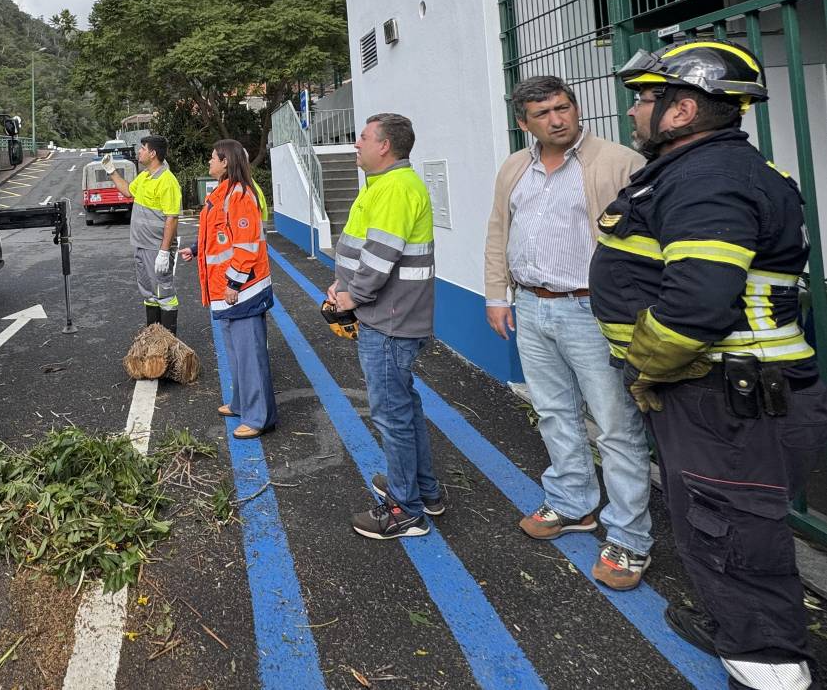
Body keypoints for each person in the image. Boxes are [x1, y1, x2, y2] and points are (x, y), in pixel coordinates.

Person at [589, 40, 825, 688]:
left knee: (731, 532)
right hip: (726, 393)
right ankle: (736, 628)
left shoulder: (707, 178)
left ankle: (766, 661)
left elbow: (697, 304)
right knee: (716, 523)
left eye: (644, 98)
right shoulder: (705, 170)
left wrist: (644, 368)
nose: (633, 110)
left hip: (727, 397)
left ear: (682, 109)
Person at [482, 76, 653, 590]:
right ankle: (573, 502)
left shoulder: (620, 162)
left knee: (615, 425)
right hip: (532, 306)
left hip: (593, 310)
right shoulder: (516, 166)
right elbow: (499, 229)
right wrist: (496, 294)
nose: (557, 120)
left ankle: (628, 536)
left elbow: (647, 239)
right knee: (554, 411)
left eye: (563, 107)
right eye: (543, 113)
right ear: (524, 123)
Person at [327, 114, 441, 540]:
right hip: (394, 316)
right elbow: (365, 250)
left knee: (392, 415)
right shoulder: (385, 184)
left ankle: (405, 509)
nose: (356, 144)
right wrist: (343, 284)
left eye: (363, 138)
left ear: (385, 146)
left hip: (389, 320)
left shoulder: (393, 188)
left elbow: (380, 258)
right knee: (403, 407)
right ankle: (423, 490)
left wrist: (352, 297)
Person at [179, 139, 275, 439]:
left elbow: (246, 245)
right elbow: (219, 234)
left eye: (213, 157)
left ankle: (259, 417)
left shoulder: (240, 195)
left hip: (242, 290)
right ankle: (241, 403)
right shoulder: (224, 191)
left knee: (250, 357)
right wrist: (196, 249)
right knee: (236, 354)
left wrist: (234, 282)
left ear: (226, 161)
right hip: (229, 291)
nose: (209, 162)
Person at [103, 136, 182, 334]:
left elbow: (172, 218)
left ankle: (168, 343)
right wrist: (111, 170)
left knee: (164, 293)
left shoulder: (167, 181)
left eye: (143, 148)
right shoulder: (146, 176)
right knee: (149, 294)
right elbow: (128, 191)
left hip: (156, 248)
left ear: (152, 153)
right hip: (141, 245)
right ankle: (153, 339)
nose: (139, 152)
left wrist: (164, 251)